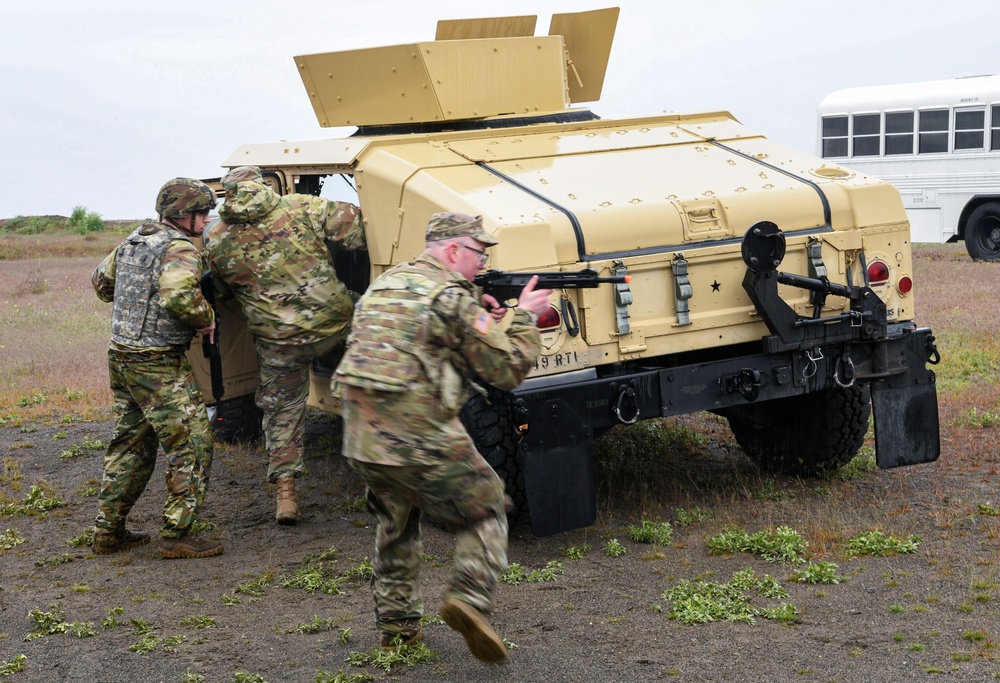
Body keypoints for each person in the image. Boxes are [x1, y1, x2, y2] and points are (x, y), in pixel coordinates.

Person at [335, 212, 552, 662]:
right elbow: (507, 369)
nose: (482, 263)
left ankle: (397, 630)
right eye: (479, 253)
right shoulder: (450, 298)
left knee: (396, 523)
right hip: (416, 429)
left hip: (361, 432)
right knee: (488, 509)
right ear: (453, 250)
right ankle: (468, 600)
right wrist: (526, 318)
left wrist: (486, 316)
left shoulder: (388, 284)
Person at [203, 166, 366, 525]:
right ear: (261, 185)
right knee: (369, 377)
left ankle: (287, 495)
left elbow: (224, 291)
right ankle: (380, 473)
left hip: (279, 340)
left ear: (226, 193)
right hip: (334, 322)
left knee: (283, 410)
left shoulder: (216, 238)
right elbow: (357, 232)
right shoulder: (300, 207)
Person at [92, 177, 223, 560]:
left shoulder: (134, 240)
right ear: (186, 215)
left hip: (122, 355)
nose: (207, 219)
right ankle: (176, 535)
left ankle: (108, 533)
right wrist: (206, 318)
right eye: (204, 212)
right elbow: (180, 295)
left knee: (130, 445)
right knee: (194, 444)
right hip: (157, 362)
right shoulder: (179, 248)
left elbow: (101, 285)